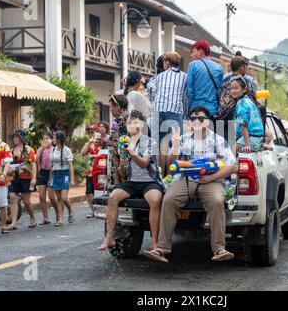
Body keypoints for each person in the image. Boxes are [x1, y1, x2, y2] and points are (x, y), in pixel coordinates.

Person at [144, 107, 237, 263]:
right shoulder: (184, 139)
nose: (196, 121)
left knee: (216, 201)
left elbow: (232, 166)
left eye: (200, 118)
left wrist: (211, 177)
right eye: (193, 118)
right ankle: (162, 248)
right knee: (169, 199)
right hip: (185, 178)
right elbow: (171, 166)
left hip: (211, 180)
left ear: (208, 122)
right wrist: (174, 146)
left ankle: (219, 249)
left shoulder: (218, 141)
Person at [97, 111, 163, 252]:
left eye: (135, 122)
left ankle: (154, 242)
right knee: (113, 197)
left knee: (155, 201)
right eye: (129, 122)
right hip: (132, 182)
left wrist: (132, 153)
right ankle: (109, 237)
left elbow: (144, 163)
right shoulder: (124, 141)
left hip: (149, 181)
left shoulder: (150, 142)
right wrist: (122, 164)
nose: (131, 125)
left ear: (142, 125)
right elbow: (123, 172)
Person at [150, 52, 187, 176]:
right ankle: (170, 177)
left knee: (161, 145)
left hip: (158, 110)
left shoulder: (159, 77)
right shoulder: (184, 76)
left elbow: (152, 94)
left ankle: (161, 176)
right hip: (175, 111)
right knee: (174, 145)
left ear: (166, 63)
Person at [8, 129, 37, 230]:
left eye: (17, 137)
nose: (14, 139)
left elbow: (33, 164)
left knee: (26, 201)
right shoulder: (11, 151)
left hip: (26, 177)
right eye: (14, 137)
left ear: (22, 138)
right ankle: (14, 223)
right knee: (13, 198)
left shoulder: (28, 150)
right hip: (14, 177)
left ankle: (32, 218)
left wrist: (34, 178)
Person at [186, 40, 224, 119]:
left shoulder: (193, 65)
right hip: (213, 110)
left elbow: (190, 91)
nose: (191, 55)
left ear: (201, 52)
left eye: (193, 52)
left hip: (197, 109)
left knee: (198, 131)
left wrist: (188, 108)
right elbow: (220, 91)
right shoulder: (219, 67)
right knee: (211, 131)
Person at [219, 52, 257, 121]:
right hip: (237, 116)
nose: (247, 68)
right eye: (246, 66)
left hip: (222, 114)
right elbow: (253, 98)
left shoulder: (224, 79)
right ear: (241, 68)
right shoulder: (246, 81)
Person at [230, 75, 264, 153]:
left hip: (252, 140)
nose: (233, 91)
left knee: (229, 150)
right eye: (231, 88)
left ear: (244, 89)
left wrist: (247, 145)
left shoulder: (242, 103)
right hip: (257, 139)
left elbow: (243, 125)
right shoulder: (247, 100)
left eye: (236, 88)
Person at [50, 131, 75, 226]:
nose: (53, 140)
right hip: (55, 174)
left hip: (64, 173)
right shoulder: (53, 150)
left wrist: (72, 179)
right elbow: (52, 165)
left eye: (54, 138)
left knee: (64, 197)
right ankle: (60, 219)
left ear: (59, 139)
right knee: (59, 198)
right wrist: (50, 178)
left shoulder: (67, 150)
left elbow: (70, 165)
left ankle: (71, 211)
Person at [36, 132, 59, 225]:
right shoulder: (41, 149)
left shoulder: (54, 150)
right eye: (44, 139)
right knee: (41, 196)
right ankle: (45, 217)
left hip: (51, 173)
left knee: (51, 197)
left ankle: (58, 214)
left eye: (47, 138)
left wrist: (50, 178)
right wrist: (41, 148)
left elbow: (54, 164)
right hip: (42, 173)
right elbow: (36, 159)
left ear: (52, 139)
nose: (45, 140)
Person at [107, 94, 129, 185]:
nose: (111, 110)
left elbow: (119, 142)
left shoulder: (121, 120)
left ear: (118, 107)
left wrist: (106, 142)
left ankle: (117, 184)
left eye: (111, 107)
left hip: (123, 157)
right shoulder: (129, 117)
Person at [80, 125, 102, 218]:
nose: (90, 134)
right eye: (89, 133)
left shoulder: (102, 143)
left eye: (92, 132)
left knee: (99, 191)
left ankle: (100, 210)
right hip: (90, 171)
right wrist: (88, 143)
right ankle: (92, 210)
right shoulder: (89, 143)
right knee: (89, 192)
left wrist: (94, 156)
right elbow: (82, 153)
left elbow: (103, 155)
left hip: (100, 171)